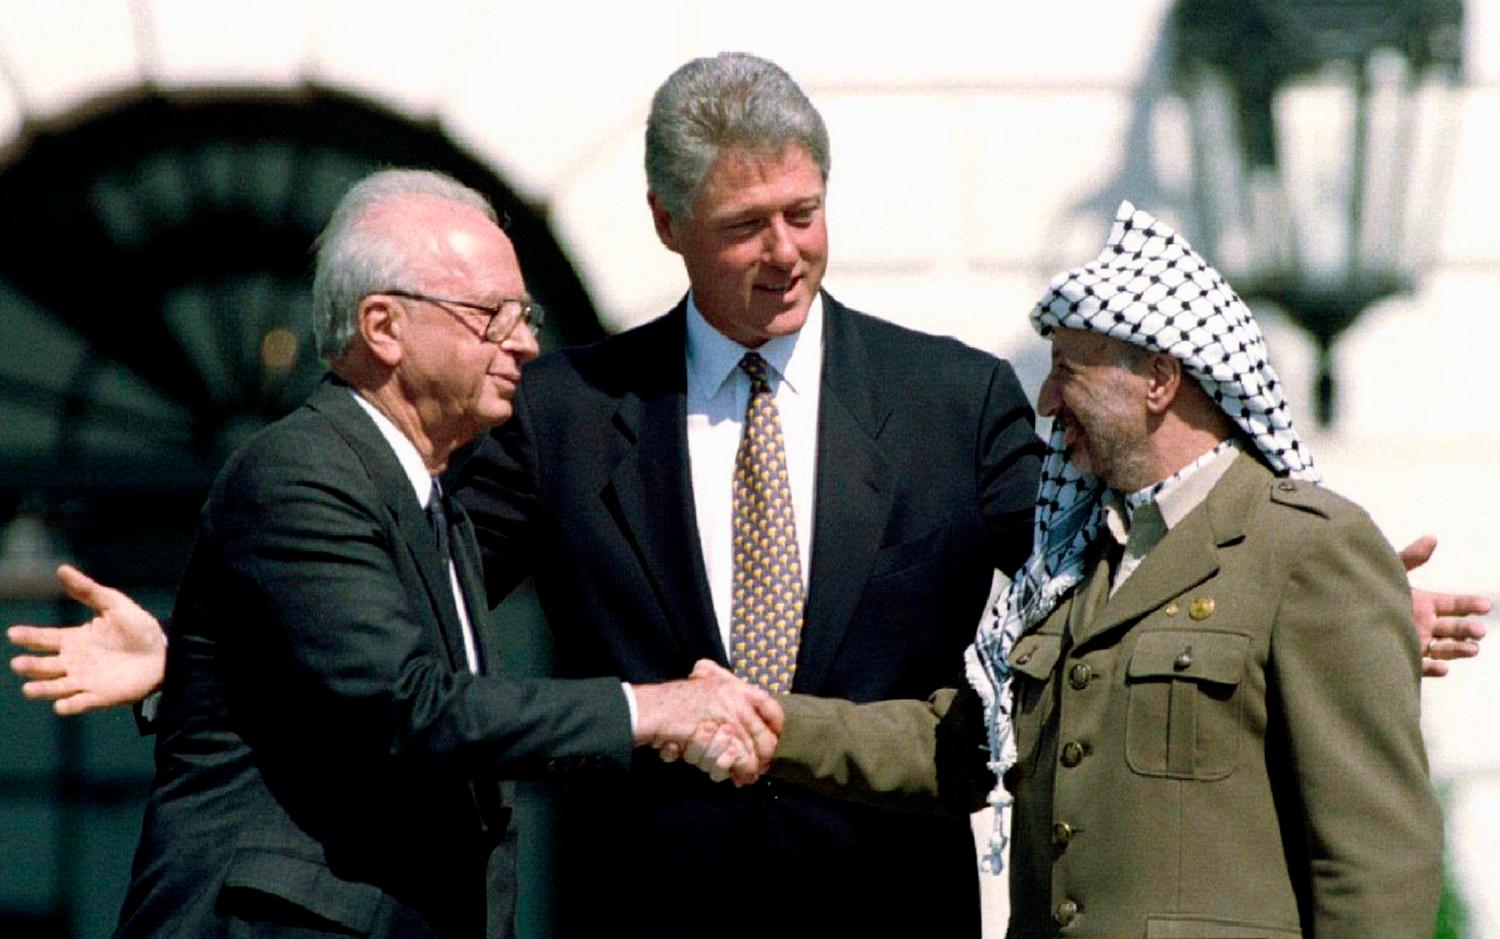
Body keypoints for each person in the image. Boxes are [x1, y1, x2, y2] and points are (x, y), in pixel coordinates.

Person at [8, 54, 1488, 936]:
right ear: (666, 224)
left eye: (806, 212)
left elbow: (1099, 563)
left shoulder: (949, 398)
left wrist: (1322, 600)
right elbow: (409, 617)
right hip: (648, 919)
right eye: (745, 224)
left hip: (881, 918)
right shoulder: (575, 406)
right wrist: (206, 657)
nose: (786, 249)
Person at [725, 202, 1448, 938]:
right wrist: (765, 725)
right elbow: (954, 744)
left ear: (1159, 380)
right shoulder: (1074, 564)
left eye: (1066, 370)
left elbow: (1377, 869)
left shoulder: (1308, 552)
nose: (1045, 400)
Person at [89, 169, 778, 939]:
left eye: (527, 313)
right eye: (494, 315)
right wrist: (650, 706)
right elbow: (408, 708)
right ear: (383, 326)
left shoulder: (431, 498)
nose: (526, 340)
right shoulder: (300, 471)